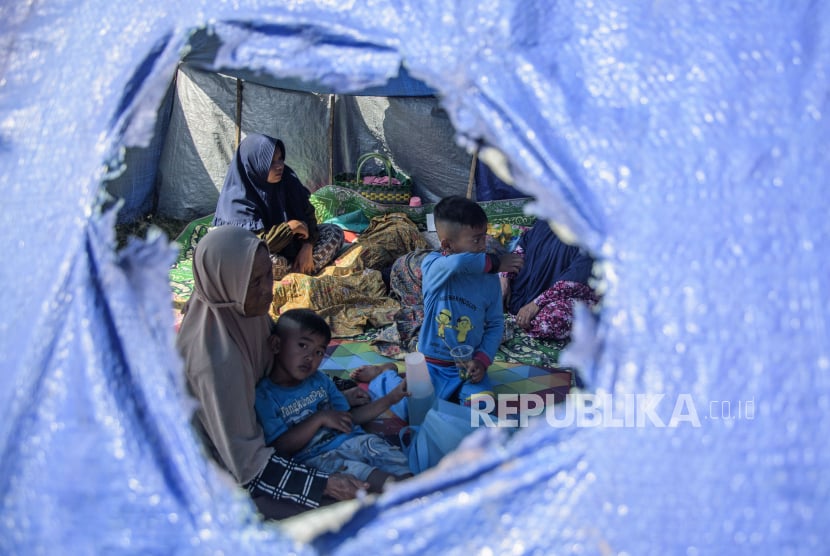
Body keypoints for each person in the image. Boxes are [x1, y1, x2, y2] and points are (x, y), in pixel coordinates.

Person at [177, 225, 368, 520]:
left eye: (268, 274)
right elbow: (245, 463)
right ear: (225, 282)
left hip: (273, 421)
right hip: (230, 467)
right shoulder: (215, 361)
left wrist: (338, 388)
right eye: (255, 282)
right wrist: (324, 485)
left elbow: (279, 368)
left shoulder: (241, 313)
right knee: (351, 512)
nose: (269, 288)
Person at [352, 195, 524, 415]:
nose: (484, 246)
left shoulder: (488, 279)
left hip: (468, 368)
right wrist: (497, 262)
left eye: (484, 237)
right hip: (430, 367)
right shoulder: (434, 266)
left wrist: (481, 361)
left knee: (482, 411)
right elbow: (458, 263)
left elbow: (495, 324)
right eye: (475, 240)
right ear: (447, 245)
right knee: (408, 411)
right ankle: (385, 374)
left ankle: (462, 396)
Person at [254, 308, 412, 492]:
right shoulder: (265, 396)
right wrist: (319, 418)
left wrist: (392, 398)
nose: (310, 357)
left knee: (387, 454)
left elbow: (349, 418)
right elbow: (280, 447)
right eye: (303, 346)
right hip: (318, 458)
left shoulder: (320, 380)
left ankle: (417, 491)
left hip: (354, 440)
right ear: (276, 345)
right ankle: (407, 498)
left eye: (319, 352)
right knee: (366, 476)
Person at [212, 133, 343, 279]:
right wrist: (290, 228)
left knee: (334, 232)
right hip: (257, 252)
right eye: (270, 162)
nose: (279, 166)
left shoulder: (287, 179)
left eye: (280, 159)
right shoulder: (238, 199)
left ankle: (300, 266)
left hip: (291, 248)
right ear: (253, 164)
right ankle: (299, 270)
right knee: (260, 260)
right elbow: (254, 244)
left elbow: (308, 213)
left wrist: (308, 245)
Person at [500, 221, 600, 340]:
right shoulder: (546, 221)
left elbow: (572, 283)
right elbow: (522, 247)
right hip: (526, 290)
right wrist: (505, 278)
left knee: (552, 320)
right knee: (487, 277)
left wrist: (536, 304)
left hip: (567, 294)